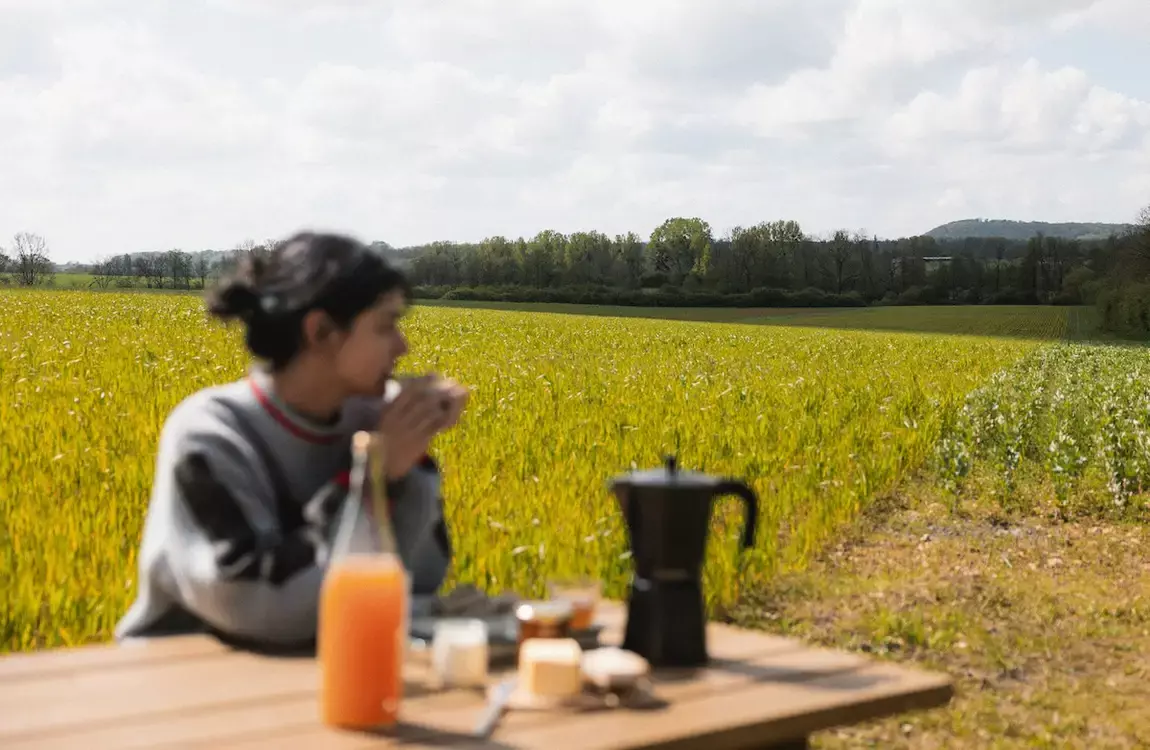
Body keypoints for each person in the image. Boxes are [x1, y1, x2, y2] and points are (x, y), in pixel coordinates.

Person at [114, 231, 469, 649]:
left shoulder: (374, 420)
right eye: (385, 325)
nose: (402, 346)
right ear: (320, 331)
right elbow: (255, 605)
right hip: (184, 677)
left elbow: (420, 578)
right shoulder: (209, 433)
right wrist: (375, 475)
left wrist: (412, 456)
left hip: (326, 663)